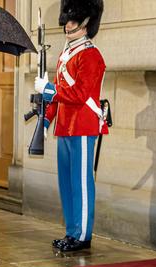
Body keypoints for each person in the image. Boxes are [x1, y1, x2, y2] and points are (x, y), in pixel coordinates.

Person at [34, 0, 106, 252]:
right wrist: (45, 119)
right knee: (66, 183)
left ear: (86, 23)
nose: (68, 24)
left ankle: (83, 235)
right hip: (65, 126)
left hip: (84, 125)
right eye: (68, 19)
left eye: (74, 20)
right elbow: (56, 97)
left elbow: (78, 93)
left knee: (81, 183)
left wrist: (49, 89)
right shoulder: (66, 54)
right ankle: (72, 231)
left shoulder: (91, 55)